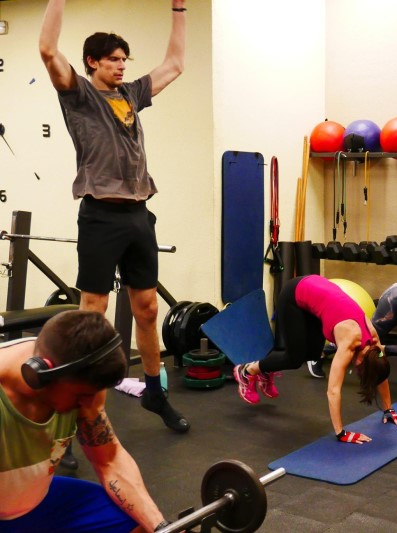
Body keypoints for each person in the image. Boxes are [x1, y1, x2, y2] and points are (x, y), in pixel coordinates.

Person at [39, 0, 190, 441]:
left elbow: (175, 64)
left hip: (139, 214)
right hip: (100, 216)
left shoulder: (131, 95)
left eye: (125, 60)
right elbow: (47, 48)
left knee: (148, 308)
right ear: (93, 62)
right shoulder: (79, 95)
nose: (122, 66)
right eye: (114, 60)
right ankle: (76, 411)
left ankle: (154, 392)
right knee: (93, 313)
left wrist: (179, 8)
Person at [0, 310, 171, 532]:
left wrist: (162, 527)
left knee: (140, 522)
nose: (90, 404)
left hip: (34, 499)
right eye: (81, 395)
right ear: (40, 373)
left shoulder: (81, 377)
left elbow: (109, 460)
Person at [233, 275, 397, 444]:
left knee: (312, 354)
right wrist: (341, 433)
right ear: (361, 364)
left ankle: (265, 371)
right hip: (295, 293)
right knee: (293, 359)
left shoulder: (375, 345)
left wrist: (388, 409)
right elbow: (333, 391)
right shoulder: (348, 344)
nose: (356, 373)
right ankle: (247, 371)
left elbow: (380, 371)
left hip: (316, 292)